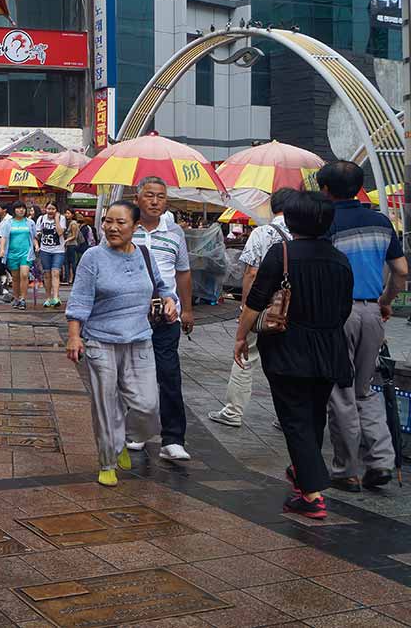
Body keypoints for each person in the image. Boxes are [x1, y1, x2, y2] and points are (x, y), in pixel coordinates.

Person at [234, 192, 354, 519]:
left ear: (290, 219)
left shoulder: (282, 252)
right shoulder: (340, 259)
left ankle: (312, 496)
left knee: (295, 418)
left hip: (288, 348)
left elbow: (256, 301)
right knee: (313, 416)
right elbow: (343, 309)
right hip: (328, 349)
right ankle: (303, 472)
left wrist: (241, 336)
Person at [66, 200, 177, 487]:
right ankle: (108, 462)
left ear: (135, 226)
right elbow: (79, 299)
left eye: (120, 222)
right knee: (105, 405)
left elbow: (162, 287)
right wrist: (74, 336)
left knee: (148, 406)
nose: (112, 228)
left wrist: (170, 301)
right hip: (100, 341)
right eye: (108, 221)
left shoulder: (144, 254)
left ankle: (124, 437)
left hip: (139, 339)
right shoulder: (93, 257)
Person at [318, 160, 407, 491]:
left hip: (338, 314)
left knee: (341, 392)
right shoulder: (381, 222)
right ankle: (381, 461)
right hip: (372, 312)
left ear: (325, 189)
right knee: (365, 389)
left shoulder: (326, 222)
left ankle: (347, 470)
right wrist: (385, 300)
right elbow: (401, 271)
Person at [210, 188, 297, 428]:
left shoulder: (262, 233)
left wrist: (245, 308)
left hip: (261, 306)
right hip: (290, 309)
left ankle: (233, 412)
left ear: (272, 207)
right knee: (286, 360)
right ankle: (287, 416)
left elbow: (251, 273)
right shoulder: (301, 234)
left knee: (245, 356)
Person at [129, 177, 194, 461]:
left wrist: (187, 309)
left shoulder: (175, 232)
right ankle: (137, 432)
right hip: (131, 317)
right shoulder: (126, 228)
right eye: (149, 195)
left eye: (160, 196)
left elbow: (183, 272)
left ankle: (173, 439)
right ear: (137, 199)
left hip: (167, 316)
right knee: (133, 375)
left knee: (169, 375)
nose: (155, 201)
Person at [0, 201, 36, 310]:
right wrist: (2, 249)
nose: (21, 210)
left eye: (23, 208)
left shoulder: (30, 222)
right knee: (15, 278)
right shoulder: (8, 223)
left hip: (26, 253)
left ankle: (23, 299)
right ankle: (16, 298)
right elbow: (4, 237)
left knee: (24, 275)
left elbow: (34, 237)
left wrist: (36, 245)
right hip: (12, 254)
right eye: (18, 208)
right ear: (14, 210)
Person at [35, 201, 65, 307]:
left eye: (53, 209)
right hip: (45, 250)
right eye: (48, 209)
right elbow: (36, 235)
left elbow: (60, 232)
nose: (50, 211)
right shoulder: (41, 219)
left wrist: (56, 220)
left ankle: (56, 297)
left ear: (56, 210)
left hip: (58, 250)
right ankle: (48, 298)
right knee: (47, 274)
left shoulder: (61, 218)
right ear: (45, 209)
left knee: (55, 272)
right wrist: (37, 245)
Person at [0, 202, 11, 300]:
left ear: (4, 210)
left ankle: (6, 285)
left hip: (6, 247)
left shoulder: (9, 220)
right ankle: (0, 287)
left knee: (6, 267)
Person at [62, 208, 81, 285]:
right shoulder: (69, 223)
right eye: (66, 213)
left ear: (72, 215)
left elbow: (74, 236)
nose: (66, 215)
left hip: (72, 245)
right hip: (68, 245)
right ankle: (67, 279)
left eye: (68, 213)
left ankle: (74, 279)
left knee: (72, 262)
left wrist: (66, 240)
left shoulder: (73, 223)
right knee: (67, 262)